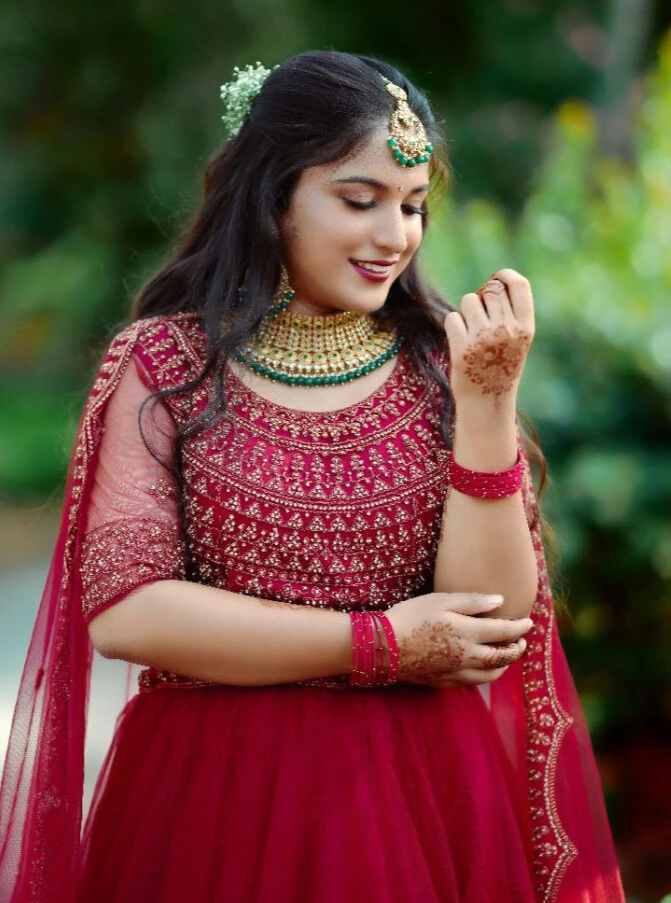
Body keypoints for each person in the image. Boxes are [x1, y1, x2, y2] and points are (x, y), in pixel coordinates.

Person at [0, 50, 625, 903]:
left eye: (412, 207)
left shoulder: (442, 370)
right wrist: (378, 644)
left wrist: (486, 410)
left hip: (422, 802)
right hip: (215, 799)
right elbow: (128, 610)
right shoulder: (167, 364)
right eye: (358, 200)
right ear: (273, 193)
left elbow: (493, 628)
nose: (393, 236)